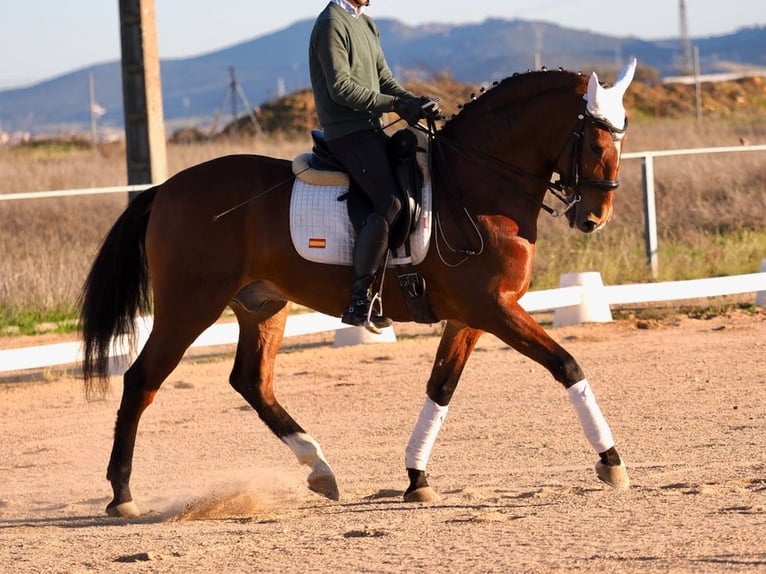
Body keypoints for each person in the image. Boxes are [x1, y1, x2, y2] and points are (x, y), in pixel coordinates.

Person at [309, 0, 437, 332]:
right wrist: (395, 104)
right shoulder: (331, 24)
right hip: (347, 132)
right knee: (391, 202)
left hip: (372, 129)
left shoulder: (366, 22)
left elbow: (383, 78)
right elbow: (341, 88)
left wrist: (413, 101)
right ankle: (359, 300)